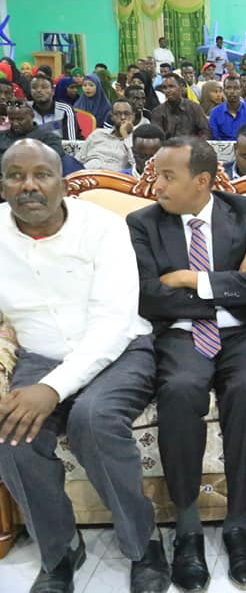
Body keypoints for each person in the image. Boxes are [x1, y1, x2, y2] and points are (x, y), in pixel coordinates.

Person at [0, 139, 171, 593]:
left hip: (119, 351)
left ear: (63, 182)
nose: (29, 186)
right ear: (2, 185)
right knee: (11, 434)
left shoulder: (103, 227)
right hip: (38, 354)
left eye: (42, 174)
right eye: (16, 176)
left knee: (93, 419)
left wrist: (52, 389)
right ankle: (59, 551)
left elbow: (113, 323)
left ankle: (143, 544)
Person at [127, 135, 246, 591]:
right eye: (155, 174)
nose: (156, 185)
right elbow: (148, 295)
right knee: (180, 389)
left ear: (201, 181)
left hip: (240, 334)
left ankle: (237, 523)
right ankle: (188, 526)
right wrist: (231, 284)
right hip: (179, 334)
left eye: (167, 176)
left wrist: (192, 280)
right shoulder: (142, 223)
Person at [77, 99, 137, 171]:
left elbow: (136, 166)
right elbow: (78, 159)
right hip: (87, 173)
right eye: (118, 114)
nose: (123, 117)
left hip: (112, 176)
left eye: (126, 113)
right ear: (112, 117)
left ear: (133, 116)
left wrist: (125, 135)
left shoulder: (136, 139)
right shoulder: (98, 134)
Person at [153, 75, 211, 140]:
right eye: (164, 88)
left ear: (181, 87)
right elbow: (157, 137)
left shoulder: (194, 107)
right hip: (167, 145)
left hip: (192, 145)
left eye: (171, 86)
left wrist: (196, 144)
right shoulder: (158, 111)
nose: (168, 90)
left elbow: (205, 131)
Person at [29, 74, 79, 140]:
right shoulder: (26, 109)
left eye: (44, 87)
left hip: (59, 145)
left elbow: (71, 142)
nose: (39, 90)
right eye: (34, 87)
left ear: (53, 91)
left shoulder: (65, 109)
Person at [208, 75, 246, 141]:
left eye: (236, 88)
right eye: (228, 88)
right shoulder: (215, 113)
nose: (232, 91)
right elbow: (214, 138)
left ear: (241, 90)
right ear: (224, 90)